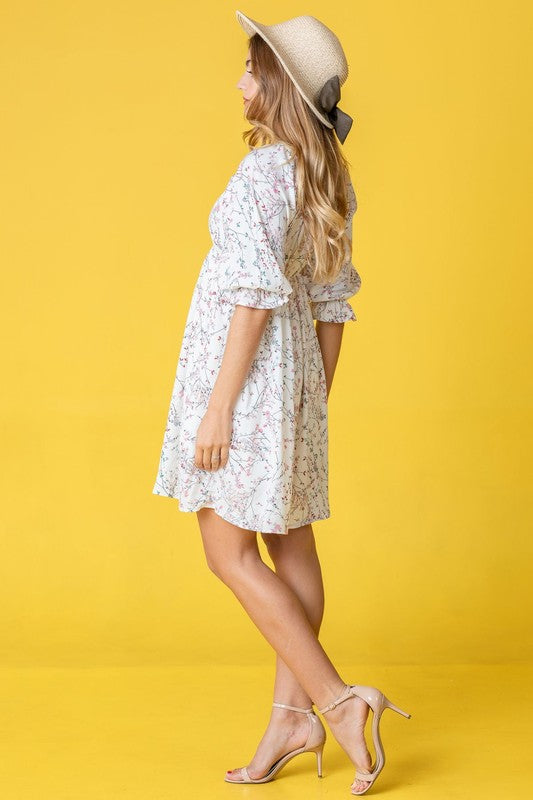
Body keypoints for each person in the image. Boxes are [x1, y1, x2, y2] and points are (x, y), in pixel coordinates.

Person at [152, 10, 411, 796]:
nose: (237, 81)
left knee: (227, 551)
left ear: (275, 86)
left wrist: (222, 406)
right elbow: (331, 305)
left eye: (247, 70)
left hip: (251, 375)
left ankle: (334, 702)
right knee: (290, 547)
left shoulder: (264, 173)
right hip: (295, 380)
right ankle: (287, 721)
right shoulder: (326, 172)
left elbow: (253, 302)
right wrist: (312, 404)